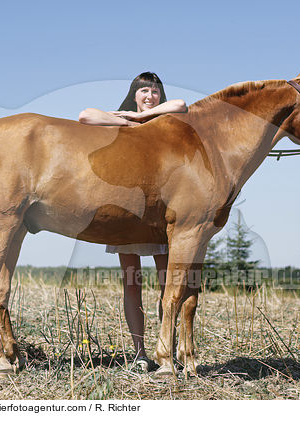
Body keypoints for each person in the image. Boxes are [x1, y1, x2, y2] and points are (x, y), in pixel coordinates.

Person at [78, 72, 187, 370]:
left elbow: (181, 104)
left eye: (154, 91)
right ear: (133, 94)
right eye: (143, 91)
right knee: (132, 283)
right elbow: (85, 115)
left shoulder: (165, 119)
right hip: (128, 213)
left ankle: (167, 347)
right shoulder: (120, 117)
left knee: (168, 285)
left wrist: (146, 117)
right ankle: (139, 352)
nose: (149, 95)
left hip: (160, 213)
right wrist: (126, 121)